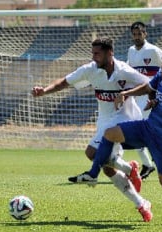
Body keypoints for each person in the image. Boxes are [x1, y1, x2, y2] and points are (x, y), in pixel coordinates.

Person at [75, 52, 162, 223]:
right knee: (109, 133)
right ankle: (93, 174)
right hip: (146, 128)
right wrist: (126, 93)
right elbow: (147, 88)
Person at [31, 37, 152, 222]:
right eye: (93, 53)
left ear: (110, 53)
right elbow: (65, 82)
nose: (94, 57)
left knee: (92, 152)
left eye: (98, 53)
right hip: (104, 120)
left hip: (125, 118)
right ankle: (140, 200)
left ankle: (129, 176)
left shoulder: (124, 71)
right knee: (106, 167)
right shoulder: (90, 70)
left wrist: (129, 94)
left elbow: (149, 85)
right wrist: (44, 91)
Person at [127, 21, 162, 180]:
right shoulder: (131, 51)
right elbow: (130, 71)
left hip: (153, 97)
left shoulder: (153, 50)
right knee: (136, 131)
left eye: (140, 34)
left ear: (146, 34)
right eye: (134, 34)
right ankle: (148, 164)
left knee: (150, 132)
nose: (137, 37)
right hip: (138, 97)